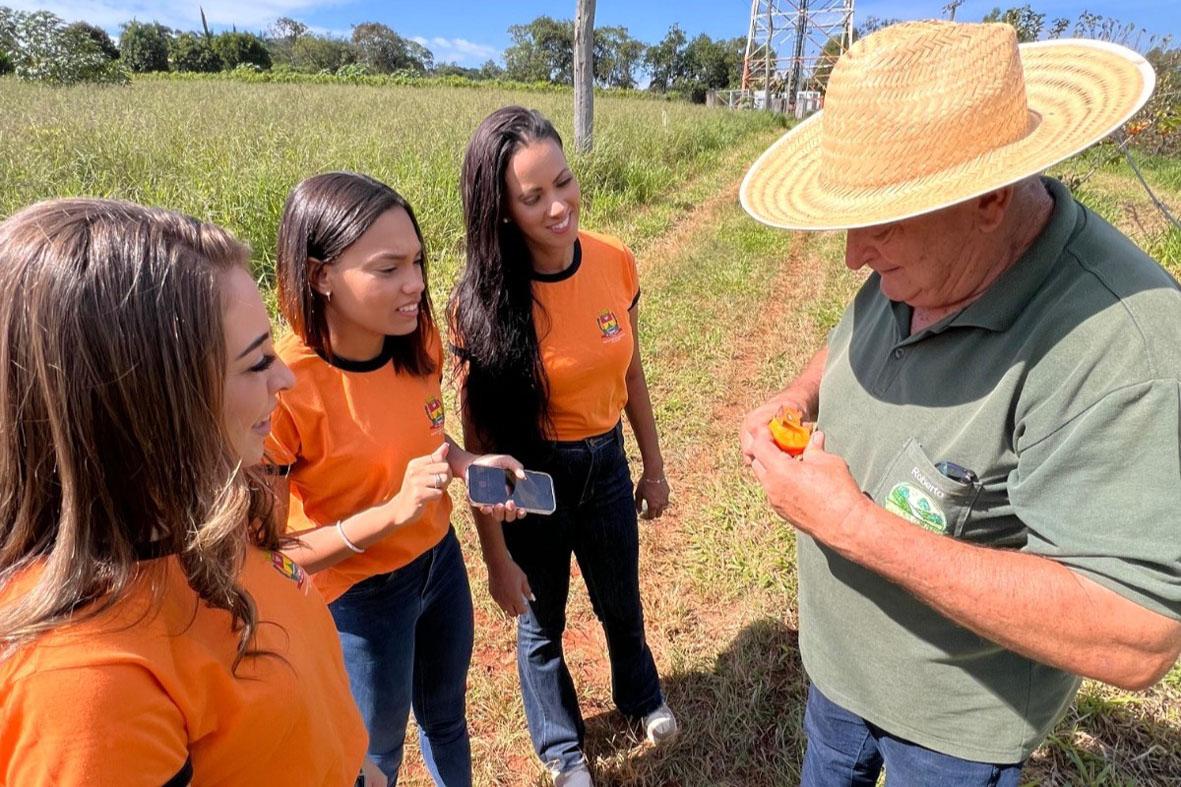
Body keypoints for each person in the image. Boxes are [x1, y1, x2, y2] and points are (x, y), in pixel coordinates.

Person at [738, 20, 1181, 786]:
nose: (852, 256)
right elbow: (853, 335)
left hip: (950, 729)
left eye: (880, 223)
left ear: (989, 198)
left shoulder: (1126, 344)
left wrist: (852, 528)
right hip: (838, 670)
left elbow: (1136, 634)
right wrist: (798, 391)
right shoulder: (923, 256)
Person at [0, 198, 374, 785]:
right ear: (148, 408)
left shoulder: (209, 508)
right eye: (255, 364)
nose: (285, 377)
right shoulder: (90, 688)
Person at [266, 172, 524, 786]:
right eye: (388, 270)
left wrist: (467, 465)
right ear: (319, 275)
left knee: (446, 717)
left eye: (418, 262)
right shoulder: (285, 387)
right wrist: (389, 515)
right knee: (375, 751)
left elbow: (427, 432)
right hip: (359, 598)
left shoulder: (416, 338)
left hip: (439, 562)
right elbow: (274, 553)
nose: (415, 285)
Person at [449, 106, 677, 787]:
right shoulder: (480, 303)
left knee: (620, 601)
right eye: (532, 196)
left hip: (605, 463)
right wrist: (493, 555)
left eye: (563, 181)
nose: (557, 206)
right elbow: (478, 439)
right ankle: (561, 746)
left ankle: (640, 696)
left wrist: (653, 466)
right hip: (530, 479)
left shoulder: (614, 261)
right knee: (539, 622)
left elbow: (630, 369)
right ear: (501, 212)